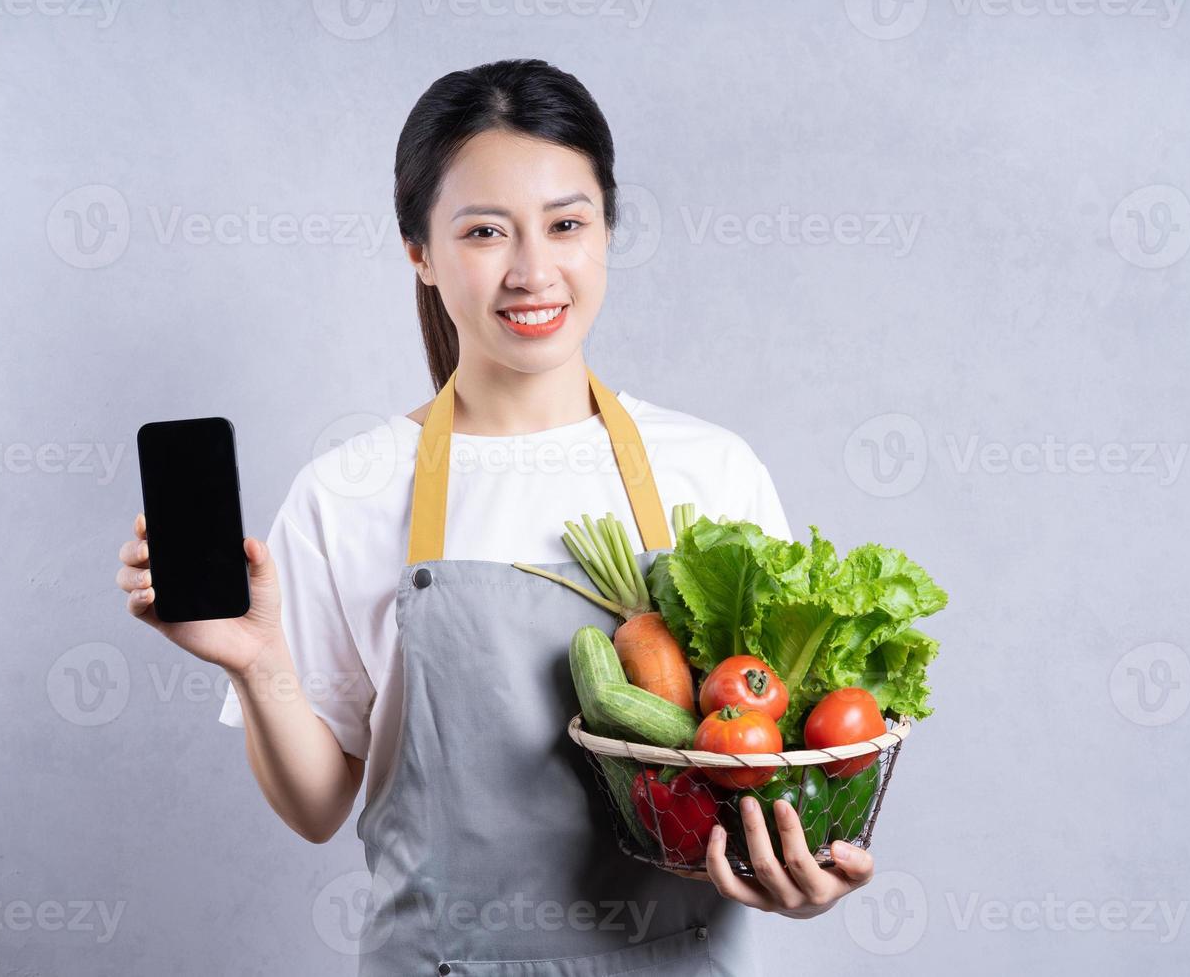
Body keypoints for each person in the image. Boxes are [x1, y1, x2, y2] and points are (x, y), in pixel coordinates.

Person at [115, 58, 874, 975]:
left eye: (566, 224)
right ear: (421, 253)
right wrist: (255, 659)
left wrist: (805, 873)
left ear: (606, 232)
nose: (533, 270)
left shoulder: (711, 472)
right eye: (484, 232)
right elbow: (317, 809)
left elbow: (773, 768)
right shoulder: (347, 491)